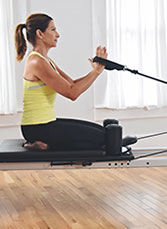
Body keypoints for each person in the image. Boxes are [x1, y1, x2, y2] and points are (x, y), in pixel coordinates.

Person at [14, 13, 108, 150]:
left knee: (102, 132)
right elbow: (72, 93)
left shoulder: (46, 60)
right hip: (37, 127)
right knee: (101, 138)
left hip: (46, 123)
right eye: (53, 30)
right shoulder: (36, 61)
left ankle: (45, 144)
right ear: (40, 33)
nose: (57, 34)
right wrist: (96, 72)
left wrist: (95, 71)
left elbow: (72, 84)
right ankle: (43, 144)